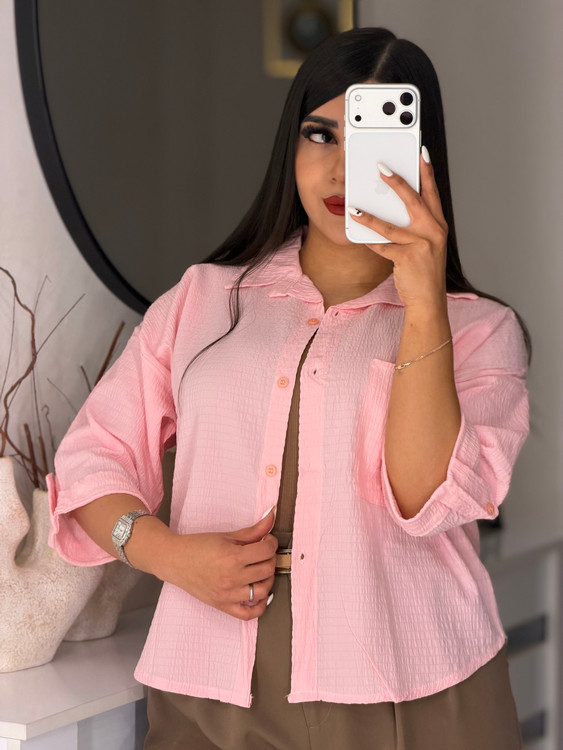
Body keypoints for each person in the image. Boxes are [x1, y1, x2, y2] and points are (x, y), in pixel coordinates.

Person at [47, 26, 529, 750]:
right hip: (209, 687)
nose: (340, 170)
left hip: (418, 688)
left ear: (418, 159)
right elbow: (92, 460)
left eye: (370, 142)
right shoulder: (203, 300)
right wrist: (167, 555)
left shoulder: (479, 330)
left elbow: (425, 497)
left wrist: (422, 300)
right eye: (319, 135)